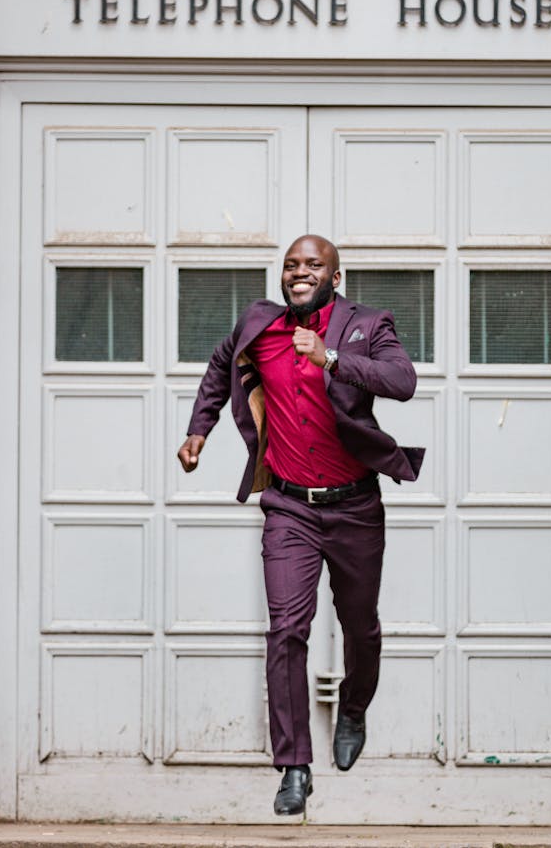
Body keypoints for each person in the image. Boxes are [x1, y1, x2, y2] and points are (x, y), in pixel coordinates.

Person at [177, 234, 424, 816]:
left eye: (313, 264)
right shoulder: (259, 327)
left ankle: (354, 705)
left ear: (335, 277)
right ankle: (293, 766)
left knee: (360, 626)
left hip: (356, 506)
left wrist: (331, 358)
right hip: (289, 507)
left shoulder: (367, 324)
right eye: (291, 265)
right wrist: (199, 429)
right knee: (287, 629)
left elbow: (403, 381)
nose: (299, 271)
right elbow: (219, 366)